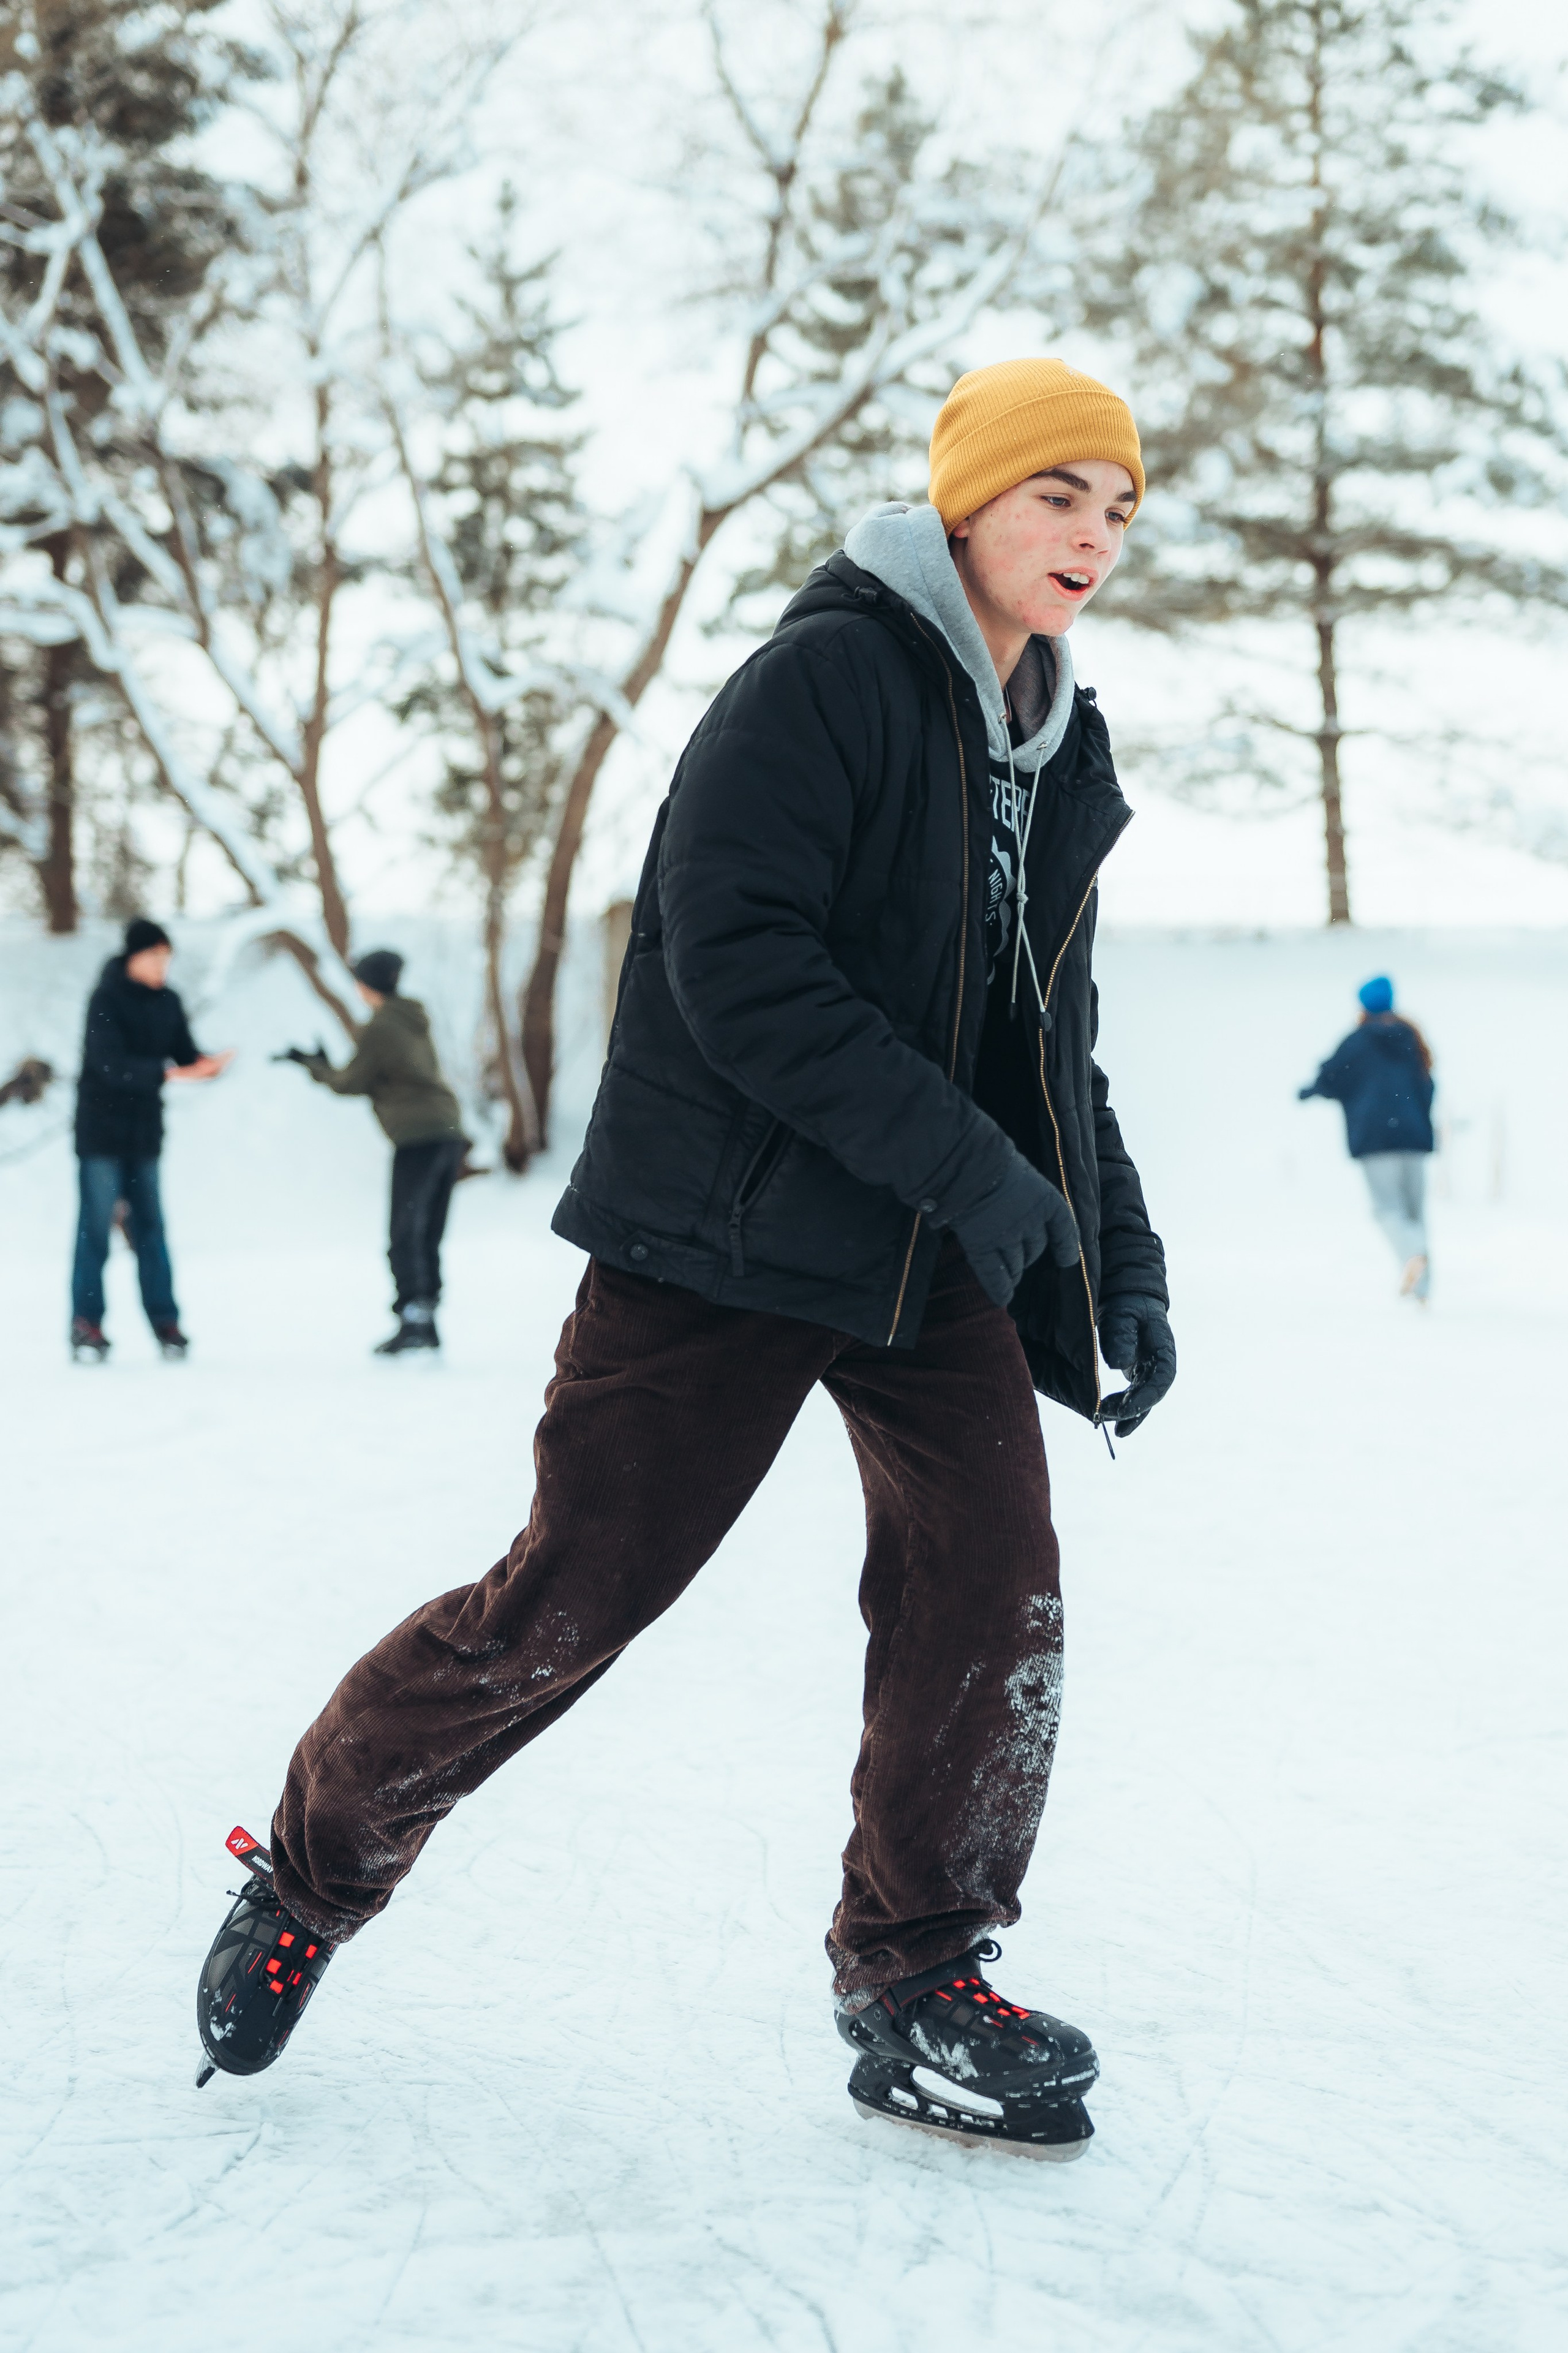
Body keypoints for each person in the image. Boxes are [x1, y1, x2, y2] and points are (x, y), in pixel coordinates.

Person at [197, 358, 1176, 2161]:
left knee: (992, 1595)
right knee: (569, 1600)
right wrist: (973, 1165)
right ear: (966, 499)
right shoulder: (830, 678)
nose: (1094, 533)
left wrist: (1115, 1251)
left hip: (919, 1249)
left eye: (1117, 505)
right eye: (1060, 495)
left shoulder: (1052, 740)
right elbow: (737, 966)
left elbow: (1055, 1037)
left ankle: (916, 1974)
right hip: (719, 1231)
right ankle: (310, 1876)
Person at [279, 950, 468, 1355]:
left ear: (365, 985)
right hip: (448, 1128)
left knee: (404, 1231)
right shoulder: (412, 1018)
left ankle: (415, 1319)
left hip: (419, 1134)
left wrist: (313, 1065)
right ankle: (426, 1316)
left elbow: (351, 1081)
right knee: (427, 1230)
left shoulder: (381, 1026)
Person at [70, 918, 233, 1362]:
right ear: (134, 956)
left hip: (145, 1136)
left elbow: (183, 1052)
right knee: (95, 1231)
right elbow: (109, 1065)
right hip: (101, 1134)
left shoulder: (170, 1001)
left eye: (168, 957)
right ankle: (87, 1324)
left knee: (152, 1231)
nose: (163, 965)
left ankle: (166, 1322)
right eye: (155, 956)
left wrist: (208, 1064)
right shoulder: (105, 998)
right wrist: (168, 1073)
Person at [1298, 975, 1436, 1301]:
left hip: (1375, 1139)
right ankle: (1424, 1288)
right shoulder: (1411, 1038)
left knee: (1387, 1208)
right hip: (1414, 1138)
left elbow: (1330, 1078)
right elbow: (1428, 1086)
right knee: (1415, 1213)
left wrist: (1310, 1091)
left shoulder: (1357, 1042)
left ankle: (1411, 1257)